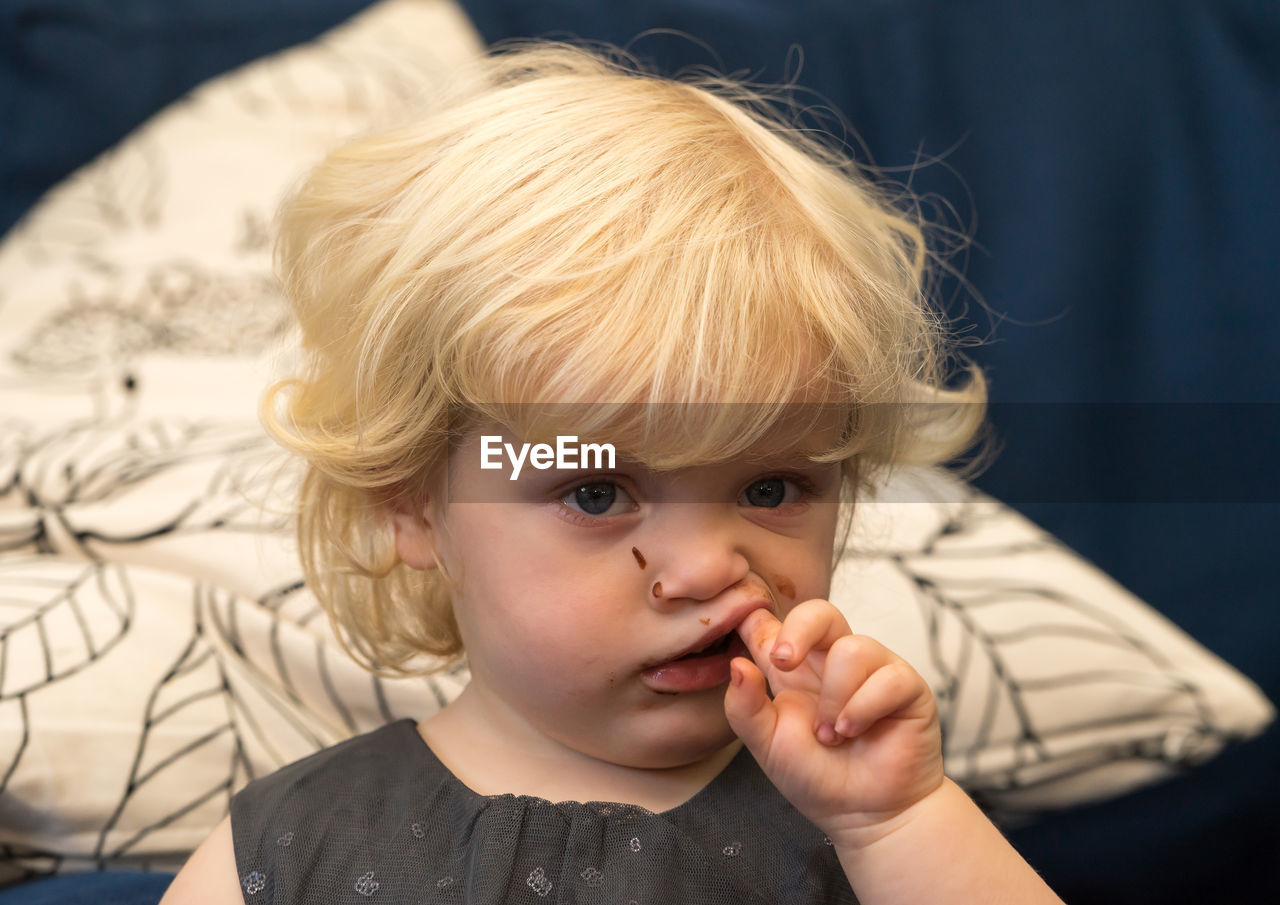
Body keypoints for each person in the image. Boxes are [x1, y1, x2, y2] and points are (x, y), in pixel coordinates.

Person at [160, 41, 1063, 905]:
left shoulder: (875, 826)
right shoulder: (292, 847)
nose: (712, 567)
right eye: (596, 492)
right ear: (410, 501)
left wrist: (898, 822)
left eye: (771, 488)